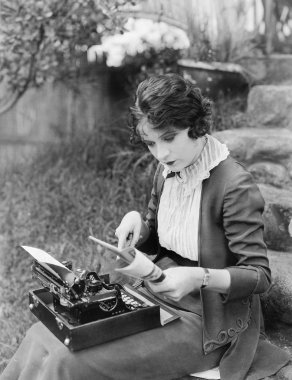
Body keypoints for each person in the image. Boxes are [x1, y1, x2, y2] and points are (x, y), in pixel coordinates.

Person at [1, 74, 290, 380]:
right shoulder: (166, 171)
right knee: (40, 336)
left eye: (169, 137)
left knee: (69, 362)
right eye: (151, 143)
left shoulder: (235, 186)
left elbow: (259, 276)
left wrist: (198, 277)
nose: (161, 153)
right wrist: (139, 226)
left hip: (207, 319)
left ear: (195, 125)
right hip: (155, 297)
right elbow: (158, 241)